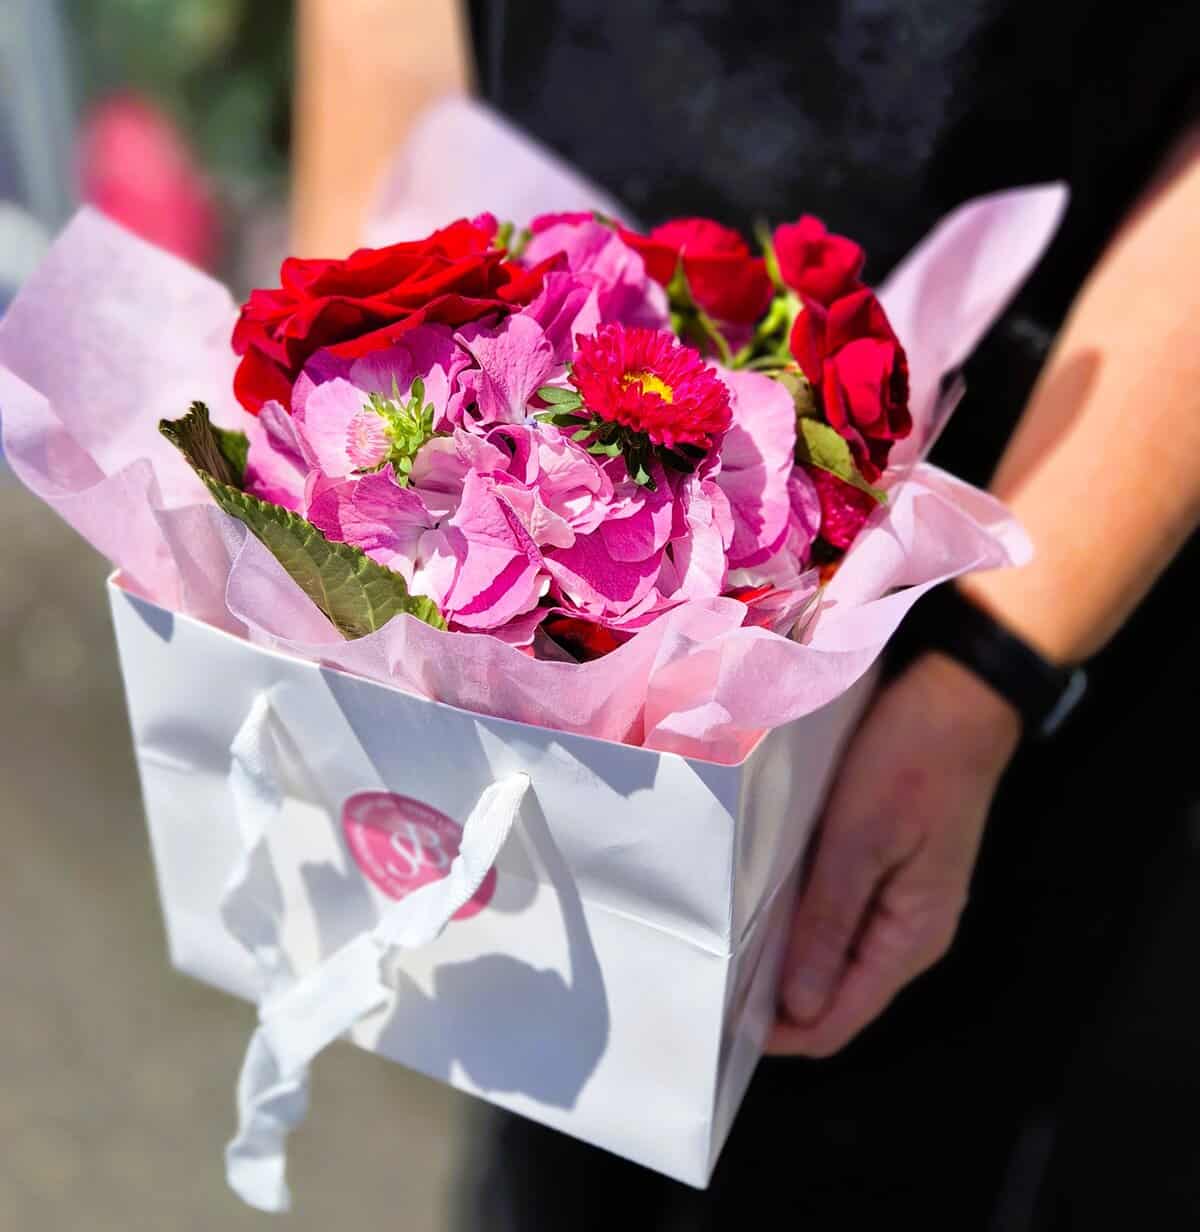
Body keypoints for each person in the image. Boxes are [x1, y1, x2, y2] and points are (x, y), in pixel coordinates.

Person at [294, 2, 1200, 1224]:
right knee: (556, 1121)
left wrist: (987, 675)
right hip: (522, 359)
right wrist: (346, 423)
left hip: (1029, 528)